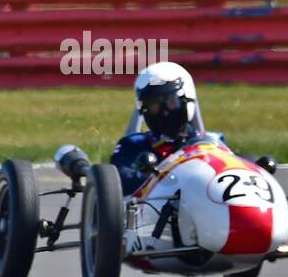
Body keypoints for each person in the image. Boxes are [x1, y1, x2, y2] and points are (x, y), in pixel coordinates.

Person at [111, 62, 275, 196]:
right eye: (154, 106)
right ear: (144, 109)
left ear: (186, 101)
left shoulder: (213, 141)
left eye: (170, 102)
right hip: (152, 216)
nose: (164, 112)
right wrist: (165, 176)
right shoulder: (134, 144)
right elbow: (118, 180)